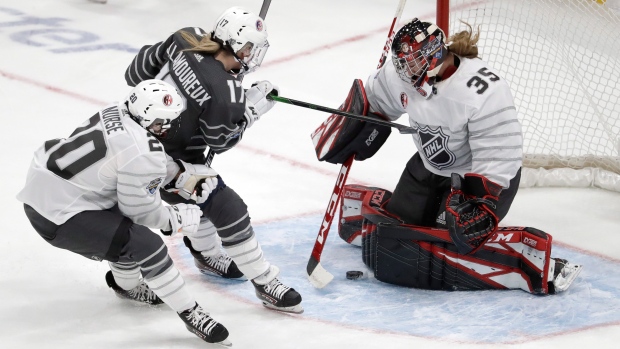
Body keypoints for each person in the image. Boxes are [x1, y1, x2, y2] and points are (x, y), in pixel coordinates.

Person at [314, 18, 582, 295]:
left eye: (413, 61)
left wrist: (480, 203)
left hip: (479, 179)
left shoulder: (480, 90)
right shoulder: (402, 77)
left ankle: (524, 260)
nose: (405, 70)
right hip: (428, 169)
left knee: (461, 238)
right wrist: (357, 124)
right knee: (403, 236)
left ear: (434, 54)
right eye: (402, 62)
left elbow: (500, 152)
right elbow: (377, 99)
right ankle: (384, 205)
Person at [16, 79, 231, 346]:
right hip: (59, 215)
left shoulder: (116, 110)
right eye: (165, 121)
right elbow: (140, 209)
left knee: (122, 232)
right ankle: (191, 312)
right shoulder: (142, 153)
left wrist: (181, 176)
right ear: (149, 117)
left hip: (48, 188)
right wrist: (173, 219)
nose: (171, 126)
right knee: (145, 243)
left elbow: (131, 156)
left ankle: (126, 287)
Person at [123, 6, 303, 313]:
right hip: (160, 162)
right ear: (238, 45)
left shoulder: (184, 37)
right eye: (250, 49)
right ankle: (264, 281)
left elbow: (135, 73)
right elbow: (220, 140)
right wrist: (250, 110)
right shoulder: (227, 91)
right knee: (223, 203)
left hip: (125, 135)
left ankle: (205, 255)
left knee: (196, 188)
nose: (252, 56)